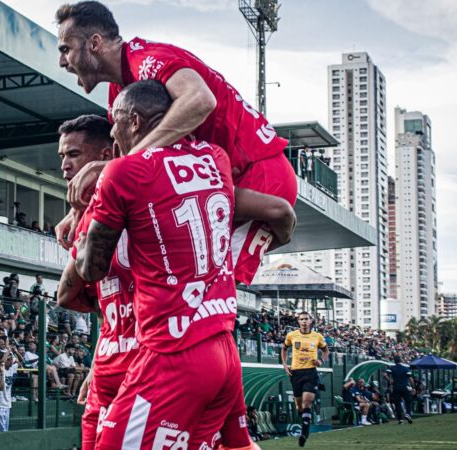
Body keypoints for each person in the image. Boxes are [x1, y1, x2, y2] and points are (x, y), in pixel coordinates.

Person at [54, 1, 297, 288]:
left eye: (65, 49)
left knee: (208, 289)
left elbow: (201, 100)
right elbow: (119, 166)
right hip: (212, 185)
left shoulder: (147, 59)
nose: (62, 62)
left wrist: (124, 165)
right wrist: (78, 209)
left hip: (259, 175)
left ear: (94, 43)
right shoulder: (118, 95)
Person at [75, 80, 246, 450]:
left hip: (173, 351)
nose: (113, 132)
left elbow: (91, 269)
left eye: (115, 122)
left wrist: (84, 215)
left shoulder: (123, 173)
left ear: (134, 122)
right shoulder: (216, 158)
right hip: (223, 346)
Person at [54, 114, 140, 450]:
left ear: (106, 155)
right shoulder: (84, 218)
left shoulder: (140, 205)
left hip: (149, 363)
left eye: (73, 154)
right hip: (107, 364)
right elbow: (67, 297)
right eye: (62, 156)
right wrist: (94, 367)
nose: (64, 164)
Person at [281, 312, 329, 446]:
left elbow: (326, 351)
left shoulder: (317, 336)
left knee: (307, 402)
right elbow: (284, 349)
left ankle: (304, 433)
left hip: (311, 373)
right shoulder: (292, 335)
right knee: (299, 406)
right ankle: (305, 422)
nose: (304, 321)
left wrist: (321, 361)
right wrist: (285, 365)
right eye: (301, 319)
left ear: (310, 321)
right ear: (298, 321)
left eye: (306, 319)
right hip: (296, 373)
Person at [383, 355, 413, 424]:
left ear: (394, 361)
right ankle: (408, 414)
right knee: (408, 401)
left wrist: (390, 381)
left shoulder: (392, 368)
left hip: (396, 387)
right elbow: (410, 378)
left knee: (397, 403)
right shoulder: (405, 368)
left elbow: (385, 375)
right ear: (401, 360)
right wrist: (413, 387)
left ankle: (400, 419)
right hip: (405, 387)